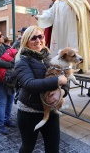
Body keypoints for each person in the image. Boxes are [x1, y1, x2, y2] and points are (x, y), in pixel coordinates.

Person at [14, 25, 69, 153]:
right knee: (27, 148)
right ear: (26, 40)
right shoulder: (22, 61)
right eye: (33, 38)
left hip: (51, 111)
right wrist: (56, 81)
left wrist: (62, 91)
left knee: (53, 149)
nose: (38, 40)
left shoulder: (50, 58)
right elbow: (30, 84)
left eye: (40, 36)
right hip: (29, 112)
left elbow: (65, 78)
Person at [35, 0, 90, 73]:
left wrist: (79, 14)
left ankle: (76, 66)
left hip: (72, 29)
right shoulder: (58, 1)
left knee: (72, 47)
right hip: (59, 31)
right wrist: (40, 17)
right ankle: (60, 66)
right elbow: (50, 13)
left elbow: (83, 9)